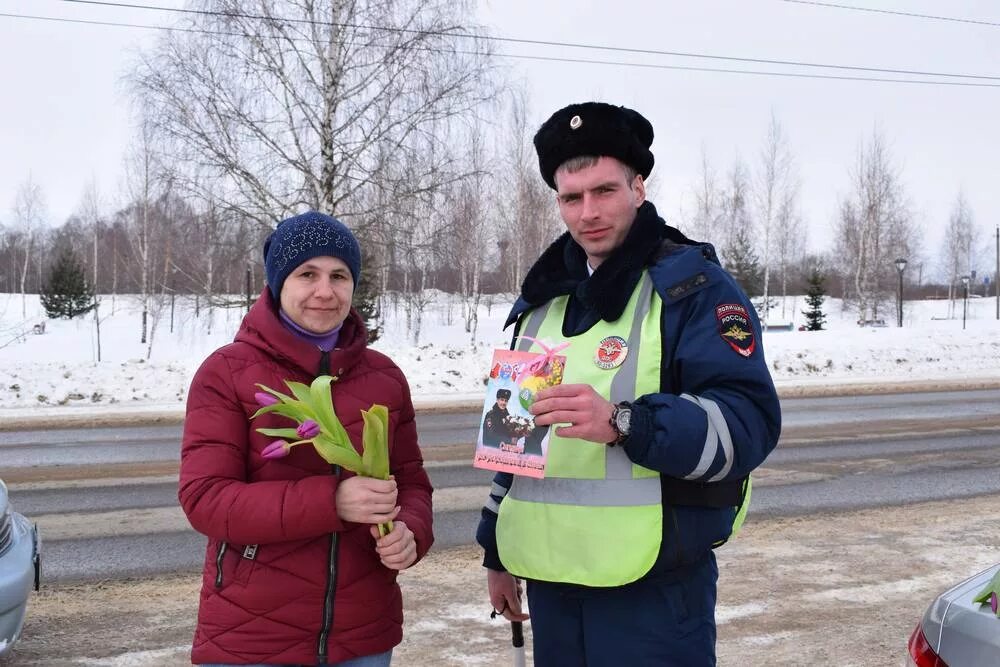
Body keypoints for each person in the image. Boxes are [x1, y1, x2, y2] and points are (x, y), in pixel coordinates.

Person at [476, 102, 781, 666]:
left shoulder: (694, 288)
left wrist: (624, 423)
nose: (588, 212)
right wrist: (496, 549)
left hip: (655, 587)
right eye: (572, 197)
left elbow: (748, 424)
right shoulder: (540, 300)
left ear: (638, 187)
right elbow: (512, 443)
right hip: (551, 576)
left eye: (605, 191)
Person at [180, 211, 434, 666]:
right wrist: (332, 501)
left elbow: (411, 482)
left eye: (339, 275)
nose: (325, 290)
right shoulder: (228, 372)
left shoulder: (383, 376)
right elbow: (205, 498)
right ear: (279, 283)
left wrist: (410, 532)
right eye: (307, 274)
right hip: (251, 635)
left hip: (363, 635)